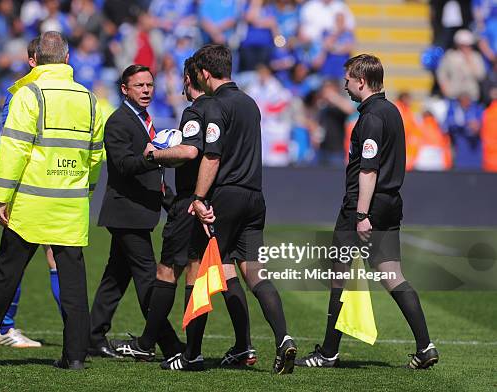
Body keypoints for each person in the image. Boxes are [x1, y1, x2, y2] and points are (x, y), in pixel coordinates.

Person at [0, 31, 105, 370]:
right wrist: (85, 190)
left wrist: (1, 196)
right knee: (74, 283)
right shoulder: (89, 99)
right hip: (70, 206)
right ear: (67, 57)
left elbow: (14, 148)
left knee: (5, 277)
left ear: (36, 59)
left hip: (30, 205)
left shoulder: (27, 94)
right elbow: (95, 156)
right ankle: (75, 356)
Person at [110, 57, 256, 369]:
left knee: (167, 273)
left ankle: (151, 345)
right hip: (214, 203)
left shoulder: (197, 111)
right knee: (198, 275)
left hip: (191, 202)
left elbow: (190, 151)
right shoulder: (229, 108)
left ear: (191, 80)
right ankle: (195, 350)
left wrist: (156, 154)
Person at [295, 54, 439, 369]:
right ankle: (425, 346)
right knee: (391, 275)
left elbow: (368, 170)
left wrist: (361, 215)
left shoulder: (371, 117)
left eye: (347, 80)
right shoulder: (392, 112)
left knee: (338, 276)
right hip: (390, 203)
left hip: (365, 206)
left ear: (361, 81)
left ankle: (328, 352)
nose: (345, 86)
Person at [187, 44, 297, 374]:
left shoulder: (216, 105)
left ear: (205, 73)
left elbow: (213, 155)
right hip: (254, 196)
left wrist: (198, 196)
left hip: (227, 197)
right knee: (249, 271)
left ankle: (191, 353)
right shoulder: (250, 103)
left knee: (204, 269)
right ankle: (281, 339)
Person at [89, 64, 184, 360]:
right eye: (139, 85)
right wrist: (157, 157)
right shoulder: (118, 121)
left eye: (149, 85)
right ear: (124, 89)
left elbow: (151, 174)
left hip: (139, 211)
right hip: (126, 213)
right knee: (147, 279)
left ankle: (92, 336)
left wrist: (172, 203)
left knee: (115, 278)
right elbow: (123, 165)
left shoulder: (144, 120)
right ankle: (169, 344)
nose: (146, 90)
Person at [0, 37, 63, 349]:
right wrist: (6, 194)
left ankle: (79, 332)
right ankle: (4, 326)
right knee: (22, 260)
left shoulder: (36, 92)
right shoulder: (23, 93)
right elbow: (12, 143)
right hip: (34, 190)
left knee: (50, 256)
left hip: (47, 187)